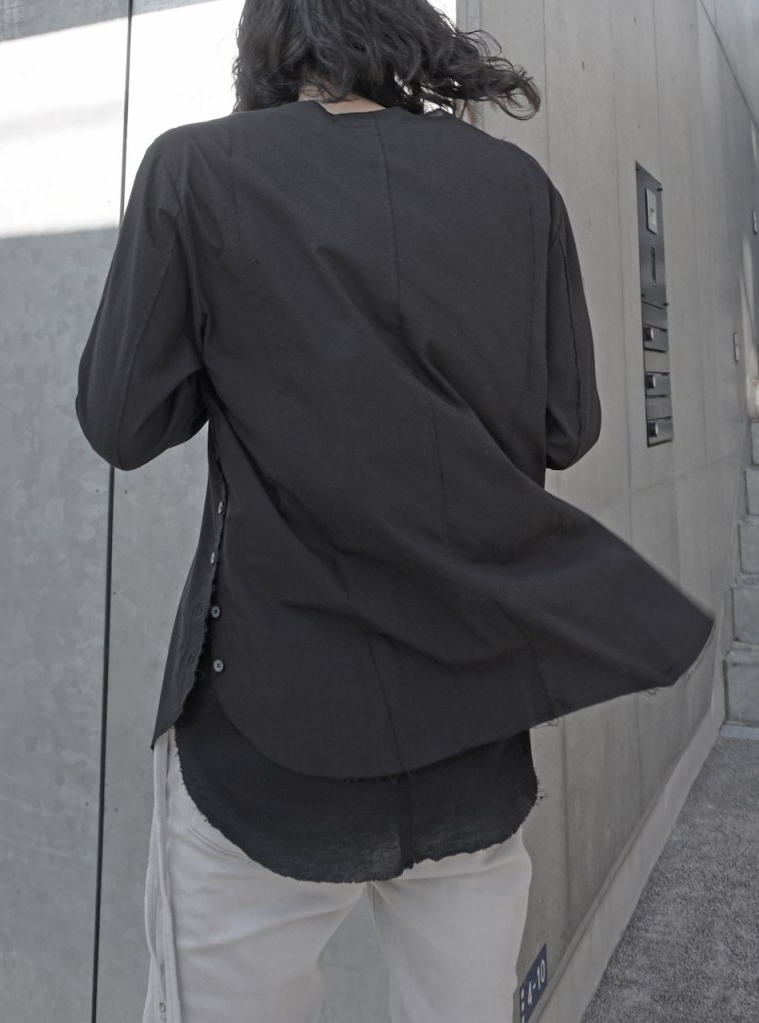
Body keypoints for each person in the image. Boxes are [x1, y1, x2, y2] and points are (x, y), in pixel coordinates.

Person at [74, 1, 716, 1020]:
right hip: (471, 728)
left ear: (268, 43)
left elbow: (123, 421)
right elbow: (569, 426)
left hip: (269, 734)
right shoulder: (517, 186)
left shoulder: (197, 171)